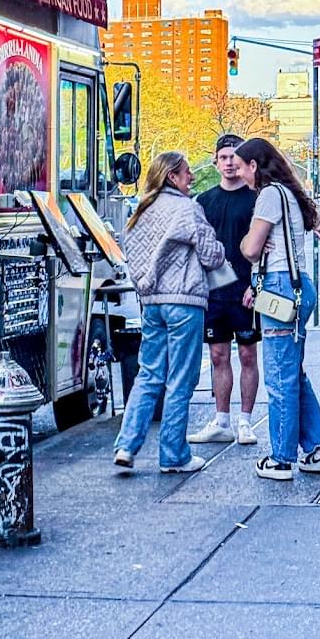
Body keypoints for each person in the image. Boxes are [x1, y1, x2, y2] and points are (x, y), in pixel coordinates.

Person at [113, 151, 225, 474]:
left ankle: (126, 445)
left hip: (152, 303)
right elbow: (212, 256)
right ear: (172, 176)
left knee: (148, 374)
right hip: (185, 301)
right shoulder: (188, 209)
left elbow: (131, 256)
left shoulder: (140, 213)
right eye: (187, 172)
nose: (192, 177)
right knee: (181, 378)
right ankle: (173, 454)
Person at [234, 138, 320, 480]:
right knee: (293, 373)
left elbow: (251, 249)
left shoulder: (269, 194)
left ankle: (281, 458)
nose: (239, 174)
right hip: (293, 286)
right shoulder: (288, 193)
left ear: (254, 165)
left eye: (241, 167)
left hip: (280, 290)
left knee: (280, 377)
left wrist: (246, 241)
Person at [188, 134, 261, 446]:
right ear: (215, 162)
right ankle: (221, 421)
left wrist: (257, 284)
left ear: (244, 162)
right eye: (224, 157)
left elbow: (266, 247)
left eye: (234, 157)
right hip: (214, 292)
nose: (230, 163)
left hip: (246, 291)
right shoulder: (203, 201)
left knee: (247, 354)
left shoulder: (257, 198)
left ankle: (245, 421)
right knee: (218, 355)